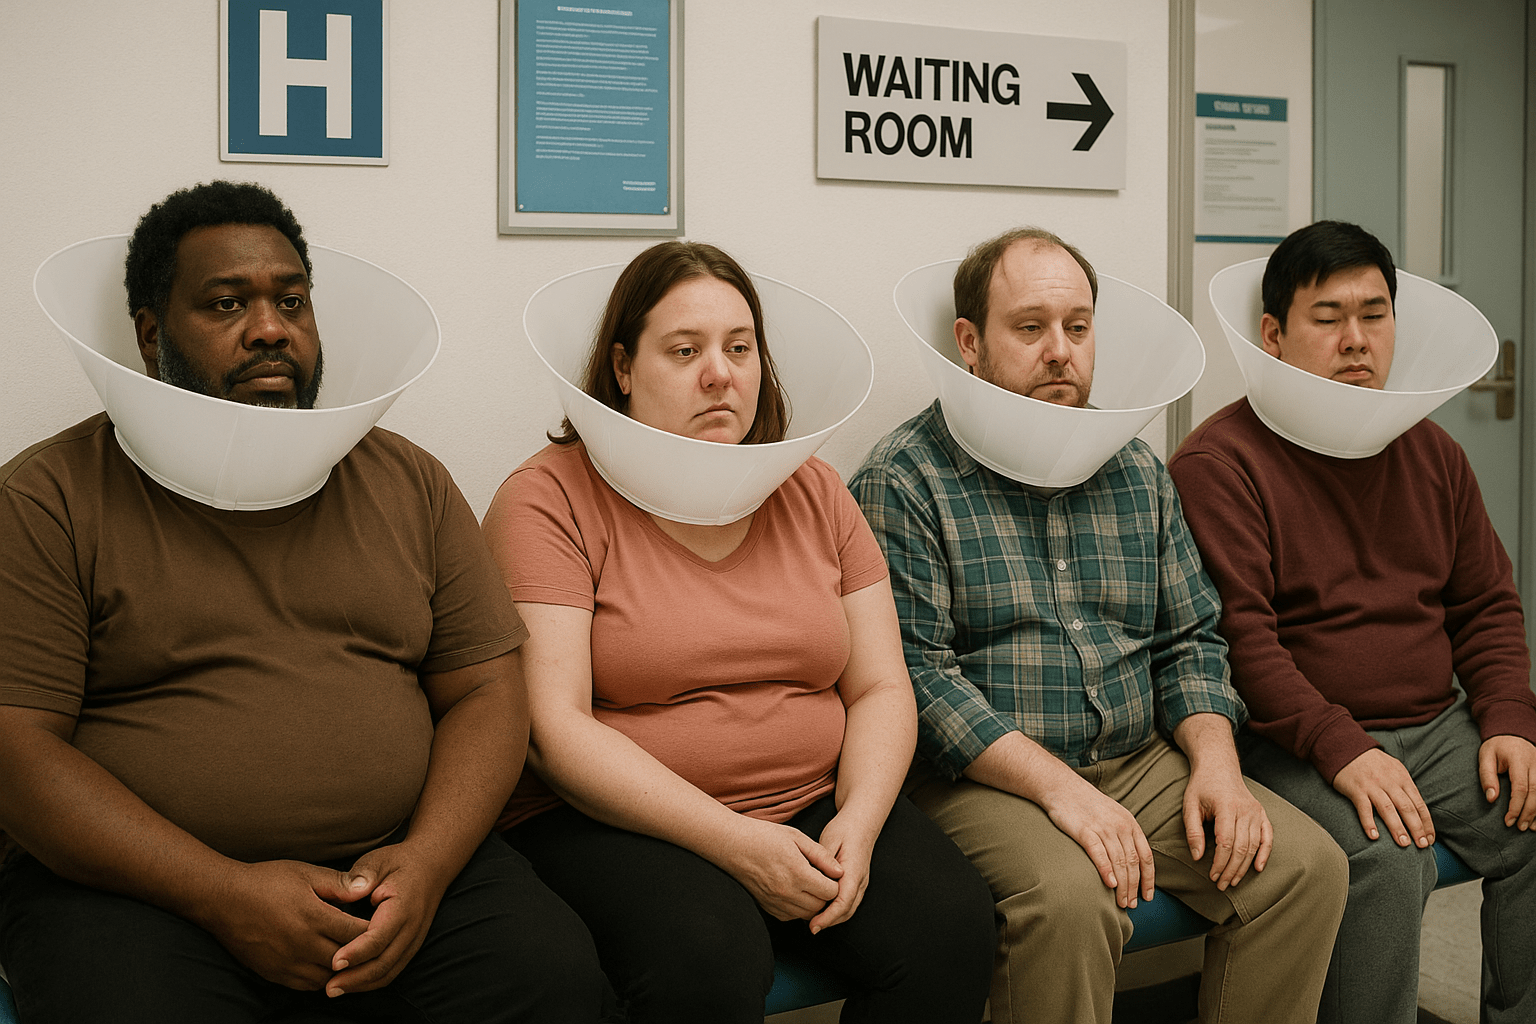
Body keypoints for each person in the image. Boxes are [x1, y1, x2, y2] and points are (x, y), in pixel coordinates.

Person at [0, 181, 608, 1024]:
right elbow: (17, 750)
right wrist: (223, 895)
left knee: (555, 984)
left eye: (291, 300)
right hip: (138, 891)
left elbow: (487, 691)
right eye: (225, 303)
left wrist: (426, 864)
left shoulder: (410, 481)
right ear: (150, 333)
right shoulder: (48, 497)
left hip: (398, 867)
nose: (270, 328)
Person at [481, 241, 996, 1024]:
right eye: (684, 351)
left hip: (811, 801)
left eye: (739, 348)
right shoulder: (545, 500)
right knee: (706, 958)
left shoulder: (816, 490)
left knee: (951, 927)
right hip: (608, 820)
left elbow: (883, 685)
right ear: (622, 368)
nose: (720, 374)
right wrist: (735, 843)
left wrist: (858, 824)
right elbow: (553, 730)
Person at [848, 226, 1348, 1024]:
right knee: (1073, 902)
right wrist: (1063, 796)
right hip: (981, 774)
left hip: (1137, 760)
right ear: (970, 343)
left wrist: (1216, 764)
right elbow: (921, 677)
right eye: (1030, 327)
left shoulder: (1136, 469)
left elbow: (1191, 640)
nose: (1060, 352)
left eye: (1077, 328)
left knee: (1305, 869)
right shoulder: (903, 479)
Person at [1169, 219, 1536, 1024]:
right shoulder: (1219, 463)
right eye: (1328, 317)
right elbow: (1240, 643)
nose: (1356, 339)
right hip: (1289, 738)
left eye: (1375, 314)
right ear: (1273, 335)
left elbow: (1486, 605)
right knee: (1388, 857)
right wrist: (1344, 750)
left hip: (1436, 726)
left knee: (1535, 813)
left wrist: (1510, 719)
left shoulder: (1433, 452)